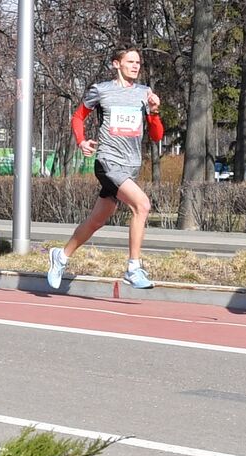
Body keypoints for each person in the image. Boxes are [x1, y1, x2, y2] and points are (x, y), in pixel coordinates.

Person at [47, 48, 164, 291]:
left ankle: (61, 256)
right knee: (142, 205)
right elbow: (78, 117)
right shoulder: (102, 90)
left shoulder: (144, 94)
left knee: (97, 221)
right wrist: (81, 141)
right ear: (116, 64)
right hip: (108, 162)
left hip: (130, 166)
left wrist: (154, 112)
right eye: (130, 61)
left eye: (138, 62)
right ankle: (133, 267)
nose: (135, 66)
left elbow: (156, 136)